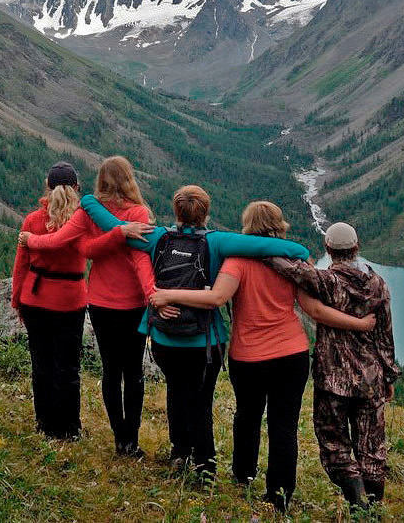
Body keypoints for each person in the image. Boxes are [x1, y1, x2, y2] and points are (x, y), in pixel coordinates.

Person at [149, 201, 377, 512]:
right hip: (291, 353)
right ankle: (279, 495)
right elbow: (314, 310)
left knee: (247, 416)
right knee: (284, 426)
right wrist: (361, 325)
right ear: (279, 223)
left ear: (247, 226)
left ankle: (243, 476)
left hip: (249, 356)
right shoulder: (294, 261)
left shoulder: (236, 262)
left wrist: (166, 295)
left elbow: (217, 299)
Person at [78, 185, 312, 479]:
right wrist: (301, 251)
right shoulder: (218, 243)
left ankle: (180, 454)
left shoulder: (156, 237)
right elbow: (270, 247)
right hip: (204, 340)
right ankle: (204, 464)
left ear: (176, 211)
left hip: (164, 336)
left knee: (175, 392)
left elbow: (110, 224)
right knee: (200, 400)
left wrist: (87, 199)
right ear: (207, 212)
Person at [19, 156, 157, 457]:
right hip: (119, 302)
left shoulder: (88, 211)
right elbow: (132, 257)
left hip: (94, 302)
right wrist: (151, 294)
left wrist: (30, 240)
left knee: (105, 371)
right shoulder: (136, 212)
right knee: (129, 372)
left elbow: (67, 244)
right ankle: (122, 440)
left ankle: (112, 435)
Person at [264, 222, 401, 511]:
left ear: (328, 249)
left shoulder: (326, 281)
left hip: (333, 380)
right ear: (357, 247)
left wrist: (257, 248)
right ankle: (372, 507)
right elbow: (385, 332)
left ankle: (357, 501)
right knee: (372, 446)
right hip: (370, 378)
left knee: (334, 443)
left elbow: (287, 268)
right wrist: (389, 375)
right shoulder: (379, 284)